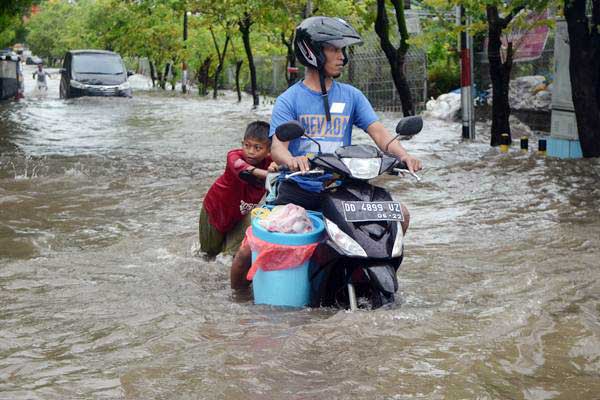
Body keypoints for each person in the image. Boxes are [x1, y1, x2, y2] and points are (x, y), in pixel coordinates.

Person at [230, 16, 422, 289]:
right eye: (334, 49)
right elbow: (277, 147)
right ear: (313, 52)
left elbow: (379, 132)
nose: (342, 57)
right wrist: (291, 160)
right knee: (245, 253)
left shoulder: (352, 96)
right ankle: (238, 302)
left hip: (345, 188)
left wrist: (404, 155)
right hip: (299, 189)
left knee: (399, 214)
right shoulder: (289, 100)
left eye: (342, 51)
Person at [199, 121, 277, 258]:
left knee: (229, 257)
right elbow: (244, 169)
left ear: (269, 150)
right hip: (216, 210)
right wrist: (271, 175)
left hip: (242, 213)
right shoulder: (234, 156)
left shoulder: (272, 164)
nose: (251, 152)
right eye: (247, 146)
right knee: (208, 254)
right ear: (242, 143)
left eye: (258, 148)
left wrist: (278, 168)